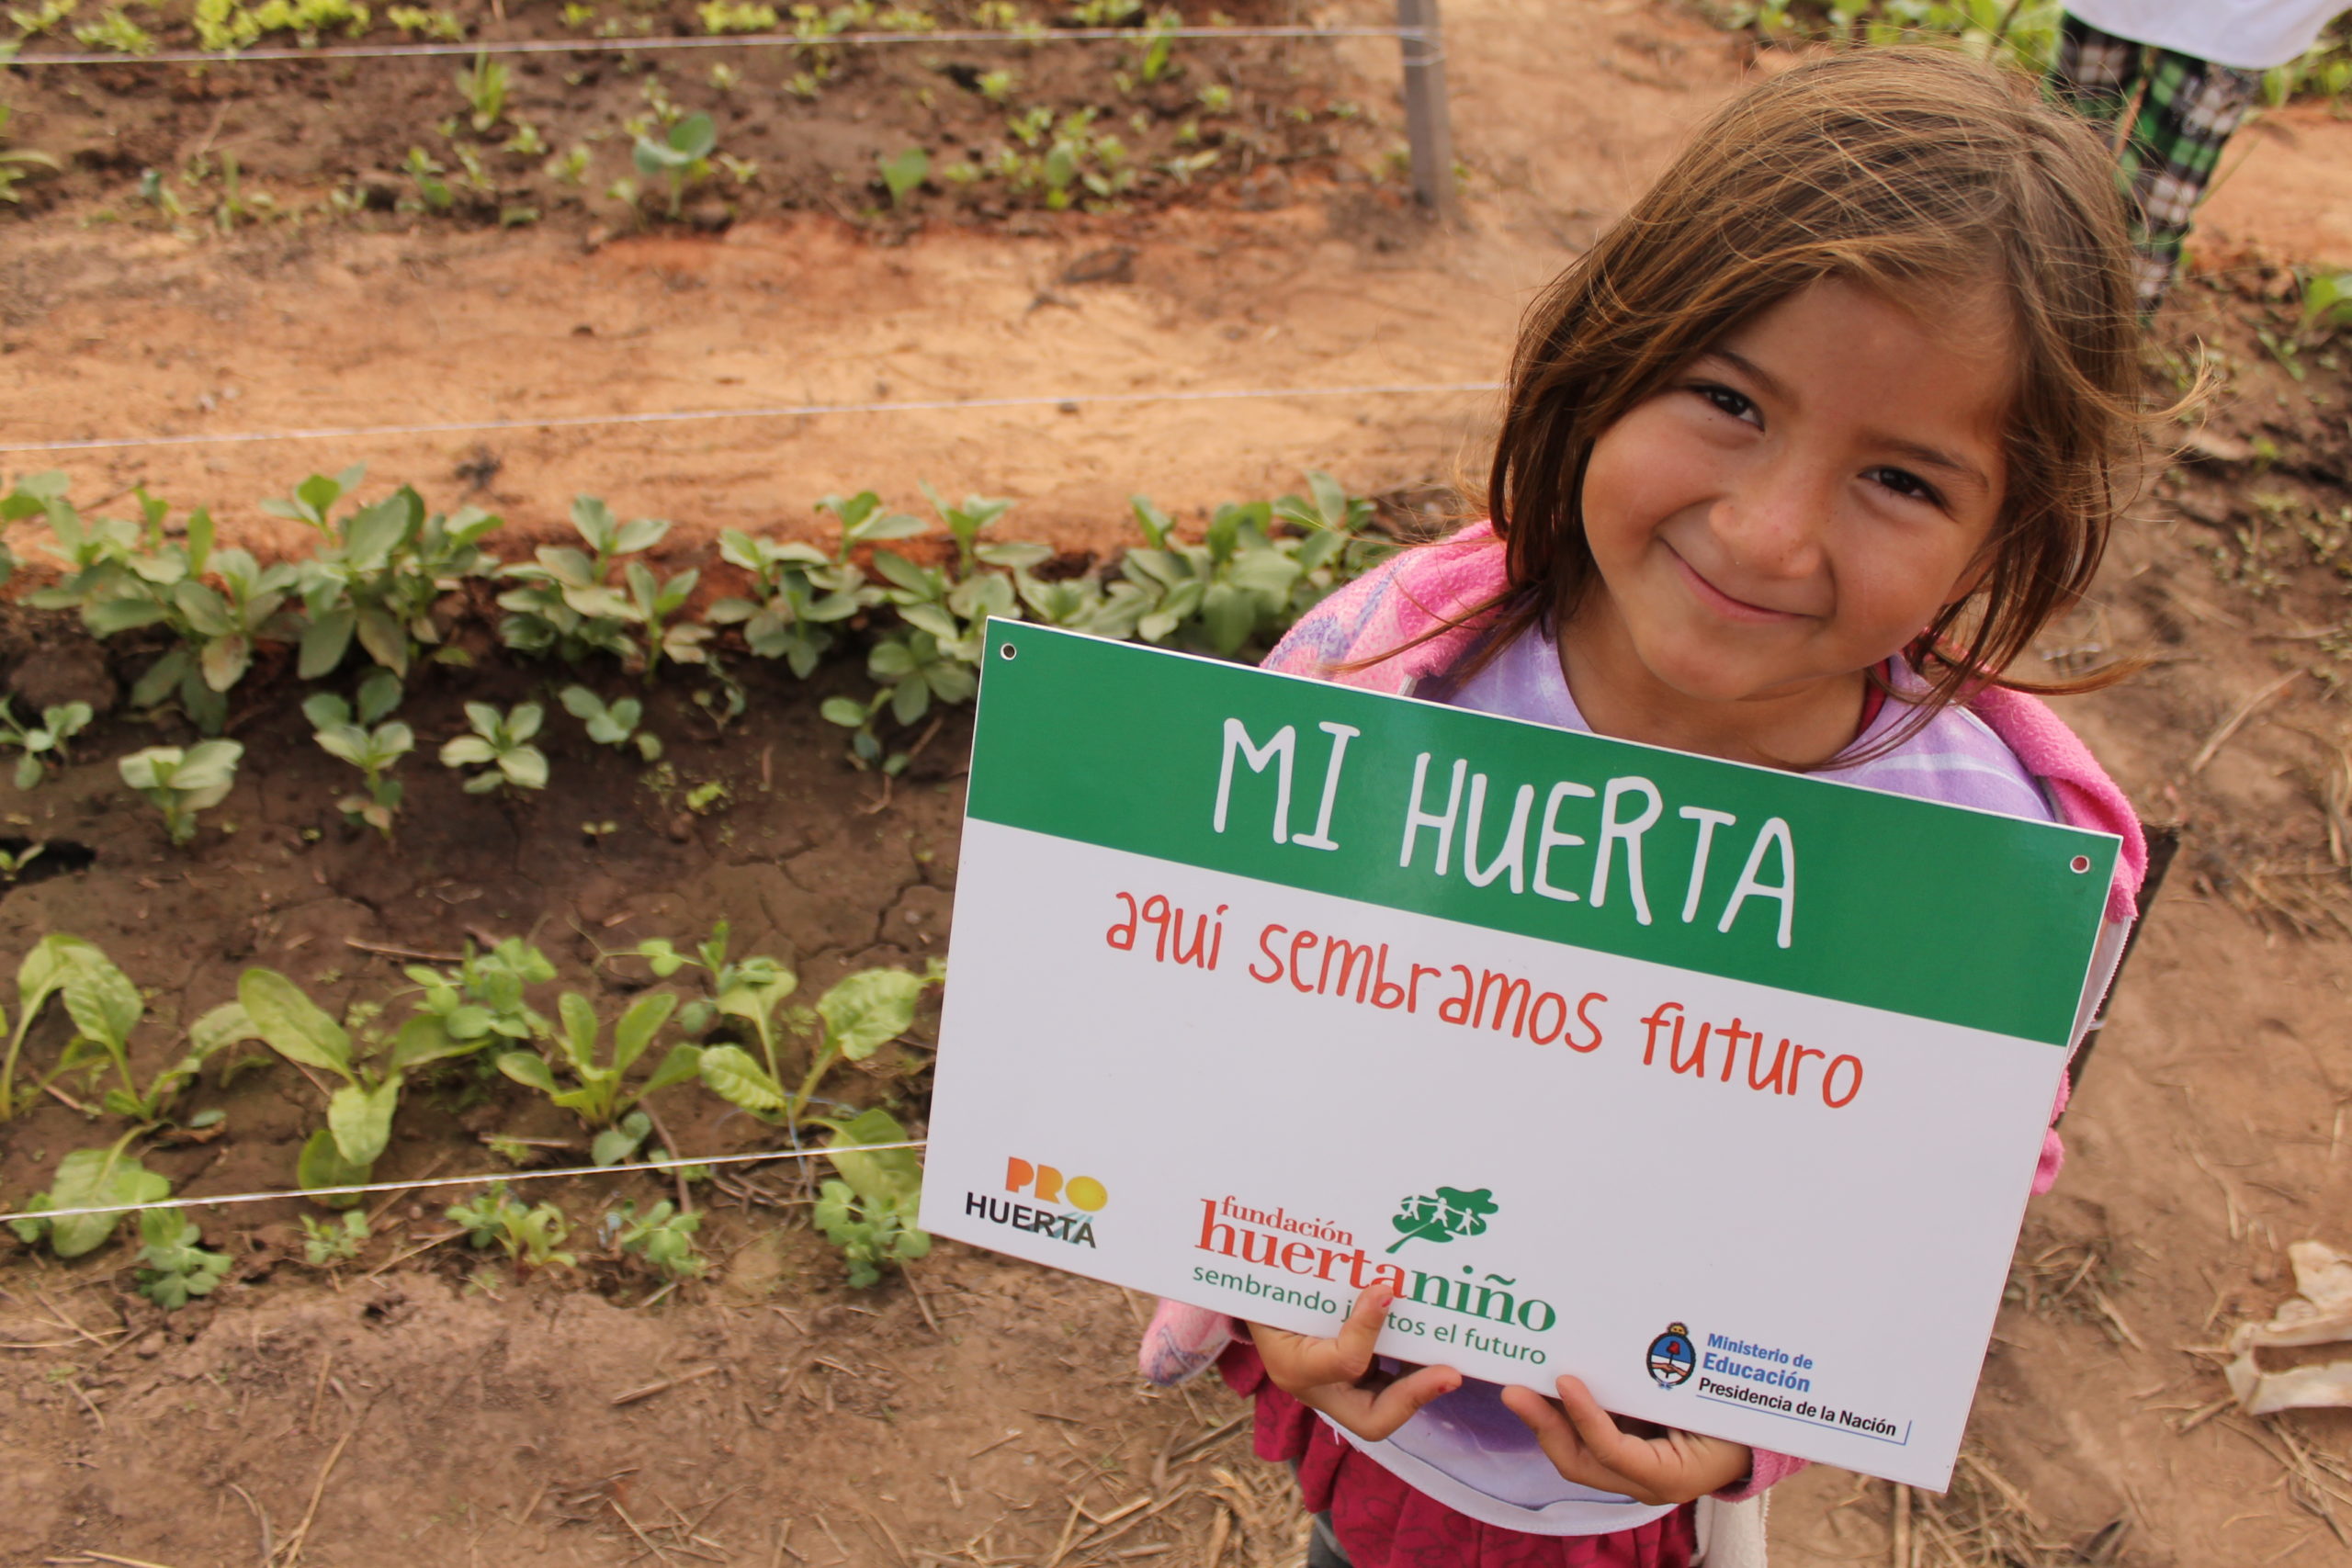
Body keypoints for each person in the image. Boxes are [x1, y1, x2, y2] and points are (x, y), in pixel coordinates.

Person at [1136, 46, 2157, 1568]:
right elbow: (1226, 997)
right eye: (1729, 397)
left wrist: (1769, 1419)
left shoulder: (1985, 854)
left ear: (2007, 533)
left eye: (1902, 479)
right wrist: (1260, 1272)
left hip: (1650, 1499)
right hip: (1378, 1433)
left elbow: (1963, 1175)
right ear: (1613, 350)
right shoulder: (1396, 669)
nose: (1767, 529)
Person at [2050, 3, 2349, 309]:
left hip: (2238, 20)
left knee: (2153, 210)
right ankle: (2034, 314)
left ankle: (2103, 341)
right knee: (2057, 167)